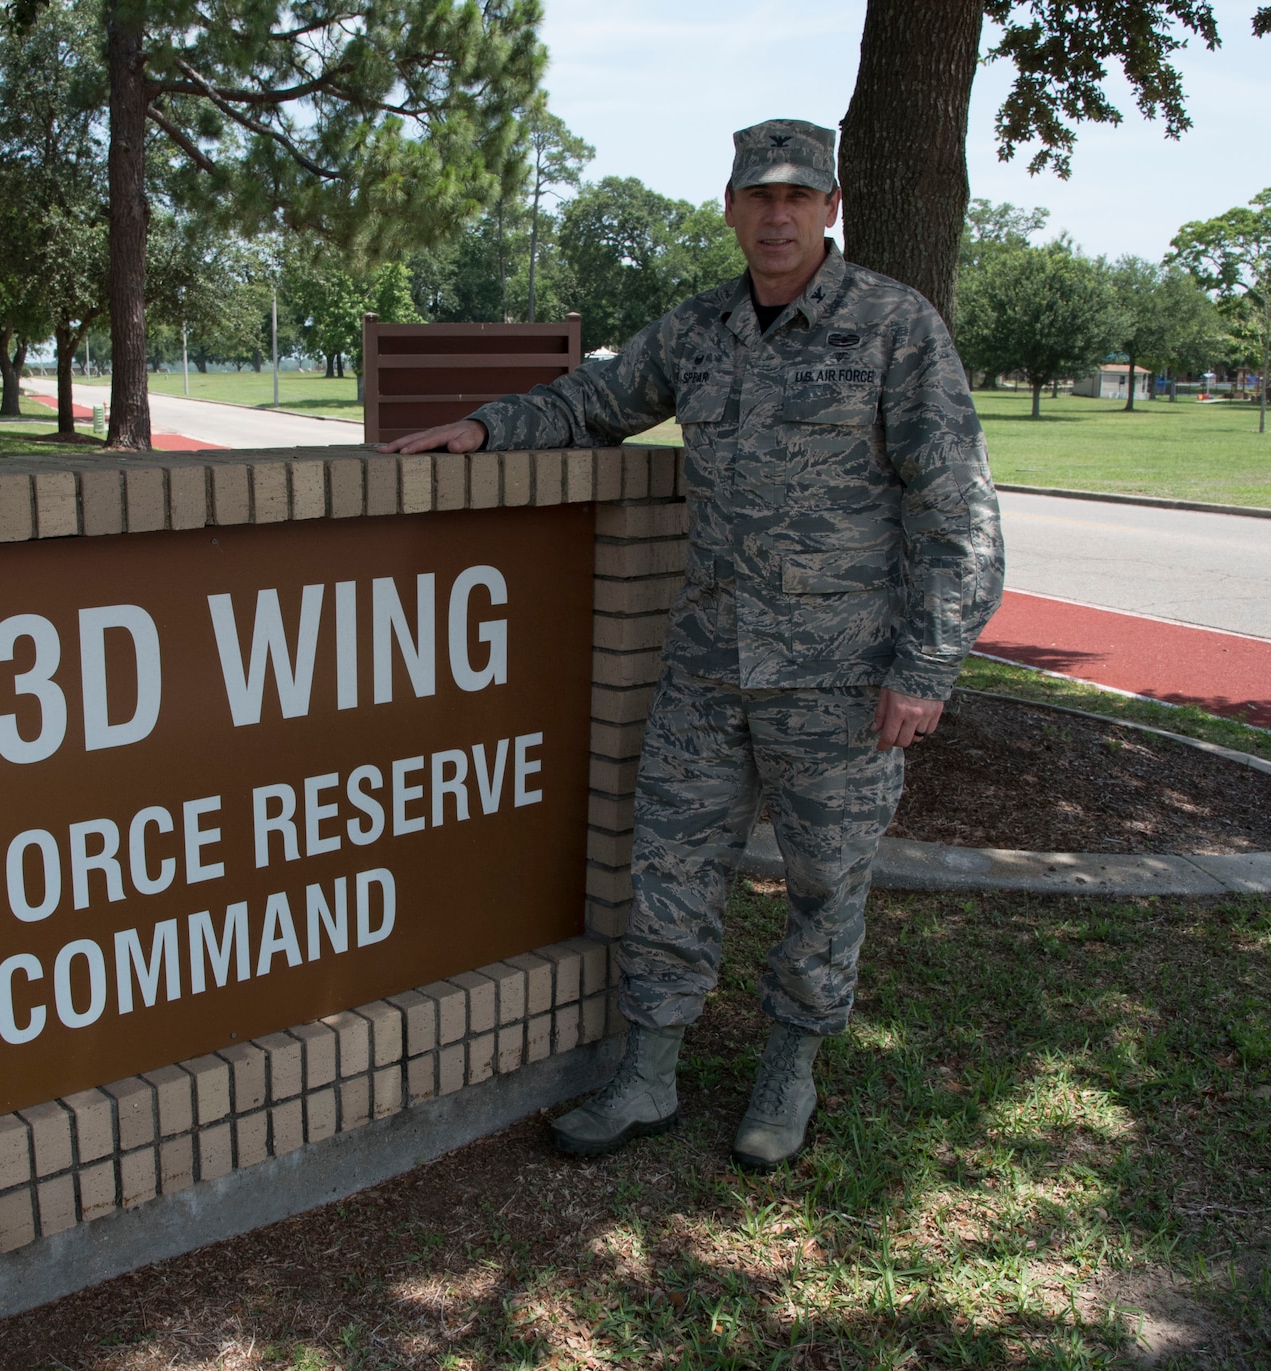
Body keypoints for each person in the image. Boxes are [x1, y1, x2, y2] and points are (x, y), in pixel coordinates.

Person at [381, 119, 1004, 1170]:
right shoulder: (697, 330)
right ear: (728, 208)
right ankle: (648, 1070)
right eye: (756, 198)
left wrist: (925, 667)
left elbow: (955, 511)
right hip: (707, 668)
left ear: (829, 210)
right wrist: (486, 429)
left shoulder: (894, 327)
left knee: (824, 883)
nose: (775, 216)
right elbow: (597, 399)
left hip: (839, 678)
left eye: (796, 198)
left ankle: (789, 1067)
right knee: (667, 865)